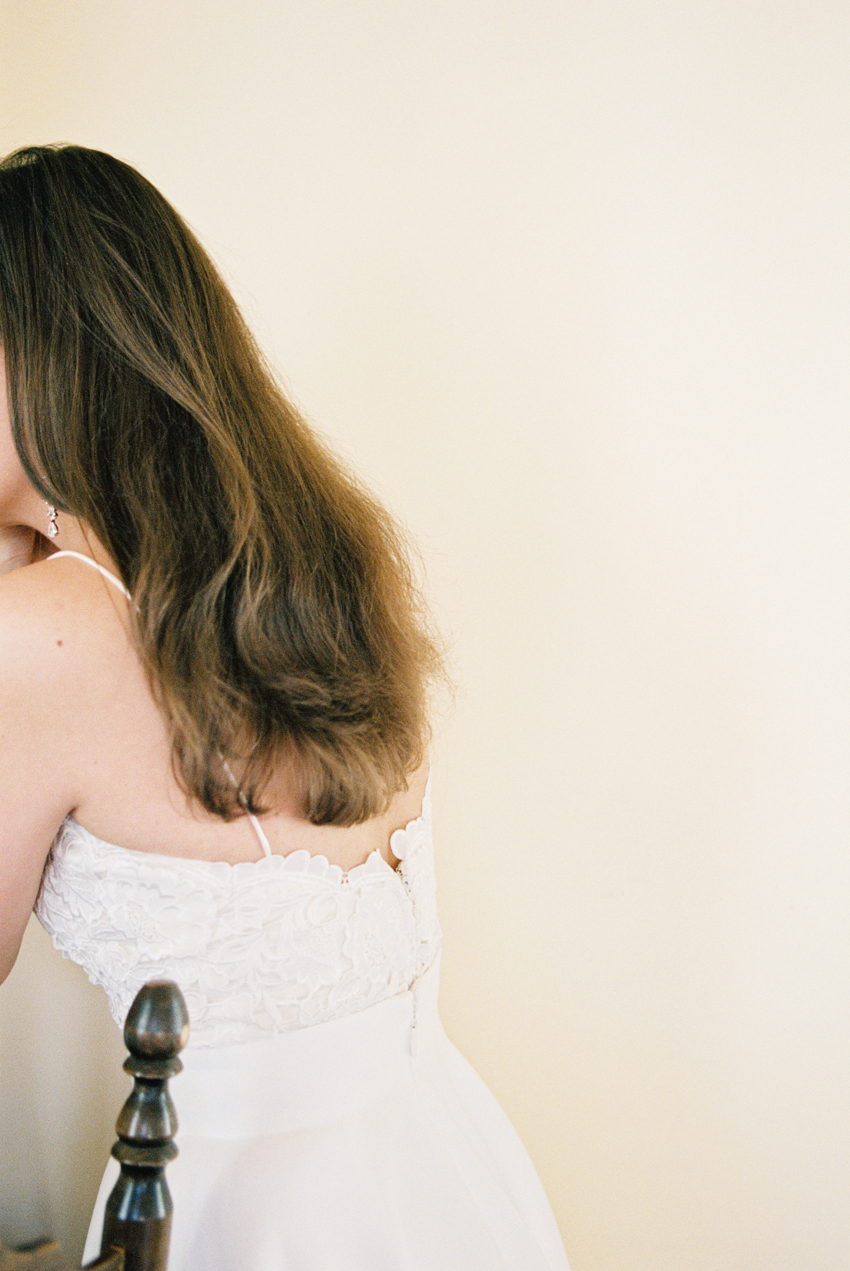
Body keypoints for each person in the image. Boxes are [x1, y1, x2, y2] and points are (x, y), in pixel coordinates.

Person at [0, 143, 570, 1270]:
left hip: (243, 1216)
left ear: (36, 358)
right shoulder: (323, 554)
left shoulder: (44, 630)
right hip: (441, 1169)